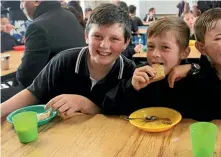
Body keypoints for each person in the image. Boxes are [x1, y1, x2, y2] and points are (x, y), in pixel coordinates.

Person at [1, 3, 136, 121]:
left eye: (114, 39)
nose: (104, 45)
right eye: (97, 36)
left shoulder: (129, 72)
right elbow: (33, 93)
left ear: (126, 42)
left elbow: (124, 116)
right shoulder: (64, 60)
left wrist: (85, 104)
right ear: (86, 37)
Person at [1, 1, 86, 102]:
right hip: (77, 88)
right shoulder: (70, 16)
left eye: (23, 1)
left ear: (36, 1)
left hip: (52, 95)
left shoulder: (38, 26)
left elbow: (26, 77)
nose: (20, 5)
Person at [115, 17, 194, 117]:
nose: (155, 54)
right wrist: (131, 87)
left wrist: (194, 70)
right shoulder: (140, 74)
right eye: (151, 47)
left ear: (184, 53)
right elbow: (110, 109)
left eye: (165, 47)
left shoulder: (193, 77)